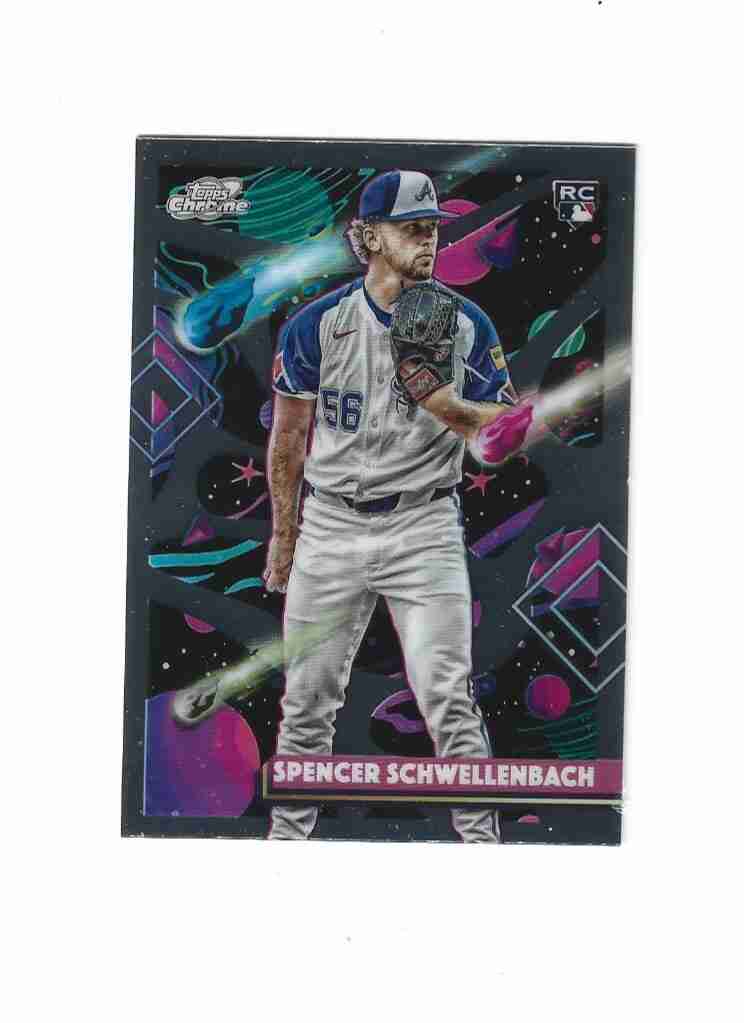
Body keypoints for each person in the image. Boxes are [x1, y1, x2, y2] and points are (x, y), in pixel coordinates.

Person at [263, 169, 529, 841]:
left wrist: (444, 402)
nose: (429, 240)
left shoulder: (464, 323)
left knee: (449, 700)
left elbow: (502, 436)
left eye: (433, 228)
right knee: (306, 702)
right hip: (330, 523)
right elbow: (289, 438)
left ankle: (483, 846)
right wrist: (284, 536)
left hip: (423, 523)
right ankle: (284, 845)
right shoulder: (317, 324)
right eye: (412, 228)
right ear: (370, 237)